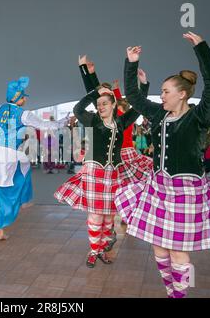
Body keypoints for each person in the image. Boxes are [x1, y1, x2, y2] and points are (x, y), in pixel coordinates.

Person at [114, 32, 210, 298]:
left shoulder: (199, 117)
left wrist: (201, 48)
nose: (162, 95)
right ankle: (171, 291)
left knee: (178, 250)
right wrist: (131, 63)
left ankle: (181, 294)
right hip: (159, 188)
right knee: (158, 248)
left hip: (187, 192)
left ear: (183, 94)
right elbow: (133, 94)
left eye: (166, 91)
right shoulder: (157, 114)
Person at [55, 61, 146, 267]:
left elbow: (139, 108)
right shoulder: (92, 120)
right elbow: (78, 108)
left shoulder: (121, 122)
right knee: (95, 216)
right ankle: (93, 251)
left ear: (114, 104)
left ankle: (104, 249)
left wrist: (144, 85)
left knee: (108, 218)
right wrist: (94, 91)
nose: (101, 106)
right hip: (93, 172)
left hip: (112, 174)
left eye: (105, 103)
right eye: (99, 104)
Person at [0, 76, 70, 241]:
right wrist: (63, 122)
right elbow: (44, 125)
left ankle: (0, 228)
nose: (25, 99)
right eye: (23, 97)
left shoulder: (0, 108)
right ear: (18, 98)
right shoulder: (23, 114)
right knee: (24, 170)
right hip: (9, 151)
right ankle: (24, 200)